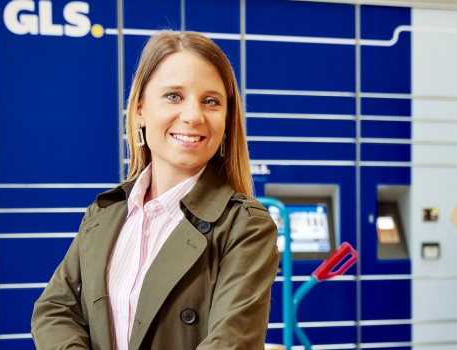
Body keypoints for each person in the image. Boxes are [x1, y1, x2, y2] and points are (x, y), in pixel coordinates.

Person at [31, 31, 280, 350]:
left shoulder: (245, 225)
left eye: (211, 101)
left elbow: (230, 343)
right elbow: (54, 310)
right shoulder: (105, 213)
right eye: (174, 96)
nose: (193, 116)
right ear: (139, 110)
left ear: (227, 118)